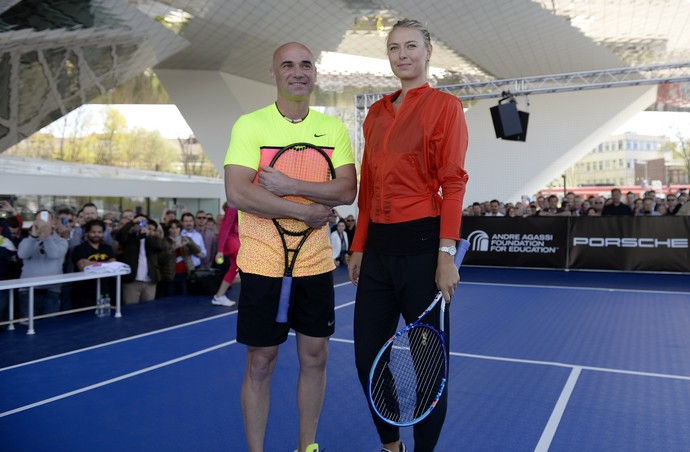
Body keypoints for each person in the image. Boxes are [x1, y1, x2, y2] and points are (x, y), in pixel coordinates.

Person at [224, 41, 357, 452]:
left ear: (314, 73)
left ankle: (307, 447)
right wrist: (304, 210)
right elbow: (237, 193)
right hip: (263, 263)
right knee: (260, 362)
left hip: (315, 265)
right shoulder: (251, 125)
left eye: (305, 65)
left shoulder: (333, 129)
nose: (297, 72)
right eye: (288, 65)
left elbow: (347, 189)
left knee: (315, 357)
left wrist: (289, 186)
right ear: (274, 73)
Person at [348, 19, 469, 452]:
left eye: (411, 46)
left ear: (428, 51)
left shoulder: (445, 106)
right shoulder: (376, 114)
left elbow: (453, 183)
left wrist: (445, 254)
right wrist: (359, 244)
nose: (403, 55)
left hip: (423, 249)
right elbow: (369, 188)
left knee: (428, 367)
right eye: (394, 47)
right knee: (367, 359)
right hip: (377, 251)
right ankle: (390, 445)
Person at [17, 210, 69, 318]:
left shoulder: (61, 241)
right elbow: (22, 254)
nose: (42, 223)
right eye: (39, 220)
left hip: (52, 291)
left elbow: (53, 254)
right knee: (28, 327)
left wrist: (46, 237)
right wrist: (33, 237)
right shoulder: (27, 241)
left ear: (53, 222)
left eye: (46, 220)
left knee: (50, 327)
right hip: (28, 290)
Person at [116, 214, 164, 304]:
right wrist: (132, 222)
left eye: (144, 224)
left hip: (150, 281)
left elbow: (158, 247)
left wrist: (146, 235)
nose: (142, 226)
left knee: (148, 311)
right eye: (139, 223)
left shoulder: (153, 239)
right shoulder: (129, 238)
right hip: (132, 281)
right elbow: (119, 236)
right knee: (130, 310)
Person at [71, 219, 116, 309]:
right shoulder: (79, 249)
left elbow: (113, 265)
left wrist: (91, 263)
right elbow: (83, 267)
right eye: (93, 232)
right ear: (87, 233)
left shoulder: (107, 248)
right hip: (84, 292)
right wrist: (106, 264)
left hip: (104, 291)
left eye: (99, 232)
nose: (96, 234)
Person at [159, 219, 200, 297]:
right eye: (172, 228)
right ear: (168, 229)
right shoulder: (164, 241)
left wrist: (190, 243)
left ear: (180, 229)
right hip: (170, 275)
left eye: (177, 228)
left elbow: (198, 251)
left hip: (185, 274)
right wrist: (172, 248)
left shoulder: (187, 239)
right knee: (170, 298)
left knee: (184, 297)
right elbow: (160, 258)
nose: (174, 230)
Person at [211, 203, 240, 307]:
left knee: (234, 268)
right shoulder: (233, 207)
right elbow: (225, 228)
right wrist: (220, 251)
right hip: (231, 241)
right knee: (247, 263)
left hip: (235, 240)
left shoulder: (240, 206)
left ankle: (219, 296)